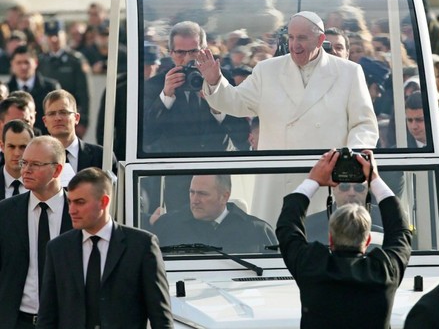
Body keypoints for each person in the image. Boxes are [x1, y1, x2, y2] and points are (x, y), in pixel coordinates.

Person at [196, 11, 379, 150]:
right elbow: (236, 103)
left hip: (327, 175)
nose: (294, 45)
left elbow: (364, 124)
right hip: (280, 173)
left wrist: (352, 155)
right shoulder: (267, 70)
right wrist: (214, 81)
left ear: (320, 39)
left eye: (302, 38)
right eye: (291, 37)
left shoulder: (349, 72)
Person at [276, 149, 411, 328]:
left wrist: (313, 180)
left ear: (330, 238)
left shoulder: (312, 266)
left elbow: (287, 228)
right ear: (368, 240)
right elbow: (400, 230)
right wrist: (374, 179)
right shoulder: (384, 272)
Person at [36, 167, 174, 328]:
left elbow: (160, 316)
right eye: (69, 201)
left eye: (80, 202)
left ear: (104, 202)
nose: (71, 210)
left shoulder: (142, 246)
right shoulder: (58, 249)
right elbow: (47, 315)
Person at [143, 21, 250, 153]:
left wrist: (218, 102)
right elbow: (147, 137)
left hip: (215, 166)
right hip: (176, 167)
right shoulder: (156, 84)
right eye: (181, 52)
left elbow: (242, 134)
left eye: (194, 51)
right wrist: (165, 97)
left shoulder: (223, 78)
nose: (188, 58)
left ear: (205, 51)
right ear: (171, 54)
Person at [0, 136, 72, 328]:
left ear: (57, 169)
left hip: (66, 320)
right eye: (24, 163)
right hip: (17, 321)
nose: (26, 170)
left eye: (35, 164)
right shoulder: (5, 212)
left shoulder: (77, 214)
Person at [152, 174, 277, 252]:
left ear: (224, 196)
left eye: (202, 194)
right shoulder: (167, 226)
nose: (195, 200)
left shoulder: (257, 231)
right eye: (192, 192)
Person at [42, 89, 117, 174]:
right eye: (51, 114)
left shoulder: (101, 157)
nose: (58, 118)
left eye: (63, 112)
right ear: (45, 121)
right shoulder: (36, 158)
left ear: (76, 118)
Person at [37, 20, 90, 138]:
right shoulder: (41, 61)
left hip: (68, 117)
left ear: (64, 36)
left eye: (57, 35)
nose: (54, 39)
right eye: (50, 36)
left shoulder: (75, 60)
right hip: (48, 119)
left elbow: (83, 92)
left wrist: (83, 120)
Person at [6, 45, 61, 134]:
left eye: (26, 62)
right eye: (19, 63)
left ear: (35, 63)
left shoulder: (50, 88)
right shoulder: (6, 90)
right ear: (12, 64)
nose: (23, 67)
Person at [0, 119, 33, 200]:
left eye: (23, 147)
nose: (17, 153)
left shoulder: (42, 185)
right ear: (2, 147)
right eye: (11, 147)